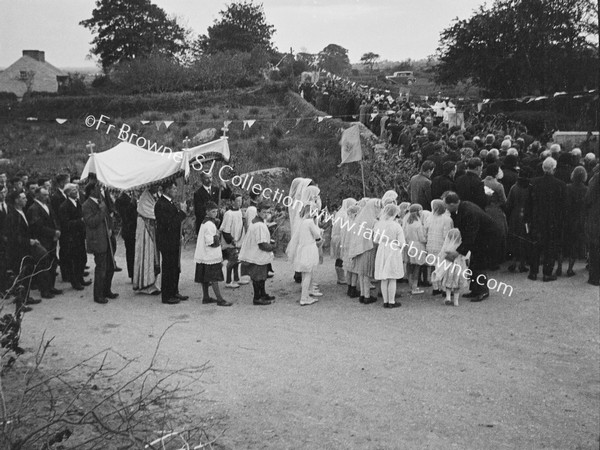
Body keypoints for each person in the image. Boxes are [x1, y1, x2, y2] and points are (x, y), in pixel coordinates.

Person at [444, 191, 501, 302]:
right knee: (474, 263)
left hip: (487, 237)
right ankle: (475, 290)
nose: (445, 207)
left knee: (479, 263)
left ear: (451, 204)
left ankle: (483, 291)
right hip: (482, 236)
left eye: (445, 205)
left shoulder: (468, 212)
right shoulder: (462, 208)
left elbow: (470, 235)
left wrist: (457, 252)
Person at [525, 157, 567, 281]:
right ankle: (547, 273)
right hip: (553, 220)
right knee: (550, 247)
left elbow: (529, 203)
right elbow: (563, 206)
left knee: (535, 246)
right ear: (554, 169)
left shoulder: (534, 182)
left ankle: (533, 272)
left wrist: (527, 218)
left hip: (536, 218)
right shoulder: (560, 184)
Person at [82, 182, 118, 304]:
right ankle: (98, 295)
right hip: (98, 240)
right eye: (98, 188)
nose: (100, 190)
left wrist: (111, 228)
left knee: (110, 266)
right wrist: (101, 212)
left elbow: (108, 217)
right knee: (101, 268)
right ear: (92, 191)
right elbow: (91, 222)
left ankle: (107, 290)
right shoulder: (86, 205)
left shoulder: (101, 201)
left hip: (107, 237)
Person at [155, 181, 188, 305]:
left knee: (175, 267)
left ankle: (174, 291)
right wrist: (182, 213)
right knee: (168, 268)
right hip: (166, 241)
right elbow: (169, 223)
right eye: (173, 189)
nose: (175, 190)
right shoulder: (161, 204)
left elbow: (176, 224)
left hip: (174, 240)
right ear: (167, 190)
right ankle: (167, 295)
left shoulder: (170, 203)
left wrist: (181, 234)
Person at [27, 187, 62, 299]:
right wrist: (53, 232)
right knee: (43, 265)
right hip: (43, 240)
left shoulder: (48, 206)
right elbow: (38, 227)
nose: (47, 197)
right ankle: (44, 289)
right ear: (37, 195)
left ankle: (51, 286)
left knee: (52, 262)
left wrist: (57, 231)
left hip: (52, 239)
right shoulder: (34, 209)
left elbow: (55, 219)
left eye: (47, 194)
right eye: (44, 195)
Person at [194, 201, 231, 306]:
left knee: (204, 278)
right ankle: (220, 299)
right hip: (210, 255)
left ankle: (206, 297)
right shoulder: (210, 225)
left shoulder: (205, 222)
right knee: (214, 277)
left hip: (202, 255)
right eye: (213, 212)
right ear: (207, 212)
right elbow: (211, 242)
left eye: (216, 211)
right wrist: (217, 236)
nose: (215, 214)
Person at [239, 202, 276, 305]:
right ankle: (257, 297)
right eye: (263, 212)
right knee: (257, 277)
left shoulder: (257, 221)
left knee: (262, 276)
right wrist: (272, 247)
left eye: (267, 212)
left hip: (256, 253)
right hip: (257, 254)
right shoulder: (259, 225)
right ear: (258, 212)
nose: (265, 214)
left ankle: (262, 293)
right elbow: (261, 244)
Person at [286, 203, 323, 306]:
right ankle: (304, 297)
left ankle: (306, 294)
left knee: (305, 273)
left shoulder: (303, 222)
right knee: (308, 273)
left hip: (302, 249)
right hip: (309, 249)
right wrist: (320, 231)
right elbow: (317, 235)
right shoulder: (310, 222)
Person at [346, 198, 381, 304]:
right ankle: (366, 295)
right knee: (366, 273)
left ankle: (362, 294)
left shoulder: (361, 219)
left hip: (360, 249)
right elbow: (375, 237)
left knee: (361, 273)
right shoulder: (372, 221)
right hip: (368, 248)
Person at [58, 183, 90, 291]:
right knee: (74, 260)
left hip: (80, 236)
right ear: (67, 193)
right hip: (71, 238)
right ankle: (75, 281)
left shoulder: (78, 203)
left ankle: (80, 278)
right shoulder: (64, 206)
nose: (76, 191)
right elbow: (65, 223)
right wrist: (79, 222)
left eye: (76, 189)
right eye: (72, 190)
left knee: (82, 258)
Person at [373, 203, 405, 308]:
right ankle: (391, 301)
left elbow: (375, 239)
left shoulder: (379, 224)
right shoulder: (396, 225)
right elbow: (401, 242)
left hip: (382, 249)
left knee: (384, 277)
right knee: (392, 277)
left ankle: (385, 301)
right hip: (393, 249)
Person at [133, 187, 161, 295]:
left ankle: (155, 283)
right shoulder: (145, 197)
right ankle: (146, 284)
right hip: (145, 229)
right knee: (147, 254)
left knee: (154, 255)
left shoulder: (156, 195)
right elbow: (150, 212)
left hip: (153, 228)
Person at [432, 228, 469, 306]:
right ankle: (456, 301)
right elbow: (466, 257)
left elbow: (442, 254)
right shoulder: (461, 248)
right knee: (457, 283)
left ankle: (448, 297)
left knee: (448, 282)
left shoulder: (447, 247)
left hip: (449, 267)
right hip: (459, 267)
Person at [562, 167, 588, 277]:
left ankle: (559, 267)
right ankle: (570, 269)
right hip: (579, 218)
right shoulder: (586, 189)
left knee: (564, 242)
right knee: (575, 244)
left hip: (567, 217)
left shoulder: (567, 187)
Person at [506, 167, 532, 273]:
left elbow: (509, 203)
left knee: (514, 238)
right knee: (524, 239)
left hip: (515, 215)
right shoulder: (530, 187)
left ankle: (513, 263)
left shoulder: (514, 187)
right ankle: (522, 264)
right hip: (526, 216)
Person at [425, 199, 453, 295]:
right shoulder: (447, 219)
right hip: (442, 246)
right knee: (444, 267)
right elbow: (447, 234)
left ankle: (435, 287)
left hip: (431, 245)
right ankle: (445, 288)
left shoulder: (429, 218)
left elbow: (426, 232)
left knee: (433, 266)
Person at [483, 163, 508, 268]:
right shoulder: (498, 185)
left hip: (484, 209)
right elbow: (504, 200)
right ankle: (495, 259)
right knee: (498, 235)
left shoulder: (482, 182)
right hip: (496, 211)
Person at [220, 194, 245, 288]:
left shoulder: (240, 212)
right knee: (231, 261)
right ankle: (228, 281)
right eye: (237, 201)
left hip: (238, 240)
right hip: (230, 242)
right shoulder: (228, 214)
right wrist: (231, 240)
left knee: (236, 260)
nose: (240, 203)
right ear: (232, 202)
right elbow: (225, 230)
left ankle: (236, 278)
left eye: (241, 200)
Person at [330, 198, 357, 285]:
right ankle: (341, 278)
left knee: (338, 257)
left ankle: (340, 277)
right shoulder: (345, 214)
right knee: (341, 257)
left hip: (336, 237)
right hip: (340, 238)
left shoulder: (340, 213)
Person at [403, 204, 427, 295]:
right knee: (417, 266)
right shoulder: (418, 224)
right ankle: (415, 287)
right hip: (417, 245)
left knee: (409, 265)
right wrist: (426, 239)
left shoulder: (407, 222)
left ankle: (410, 284)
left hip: (409, 244)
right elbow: (421, 238)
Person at [115, 191, 137, 280]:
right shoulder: (120, 200)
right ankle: (132, 273)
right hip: (129, 229)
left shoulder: (132, 197)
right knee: (131, 252)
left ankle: (135, 272)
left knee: (134, 251)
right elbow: (124, 215)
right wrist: (132, 204)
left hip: (134, 228)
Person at [584, 167, 599, 286]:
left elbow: (588, 198)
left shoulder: (596, 178)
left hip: (596, 216)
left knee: (594, 246)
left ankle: (594, 277)